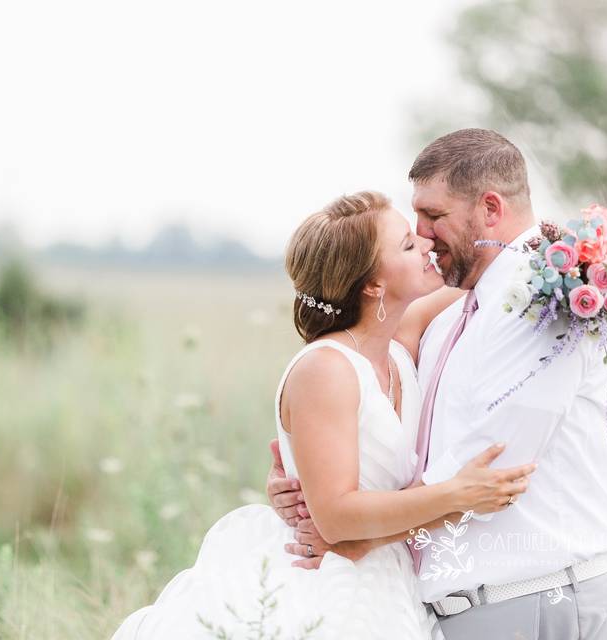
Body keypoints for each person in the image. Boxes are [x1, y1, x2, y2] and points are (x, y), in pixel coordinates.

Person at [112, 190, 536, 639]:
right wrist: (458, 494)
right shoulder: (326, 369)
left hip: (390, 578)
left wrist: (584, 252)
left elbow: (491, 278)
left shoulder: (398, 346)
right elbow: (334, 518)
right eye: (408, 245)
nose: (427, 244)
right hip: (324, 579)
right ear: (373, 284)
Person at [268, 129, 607, 639]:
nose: (423, 236)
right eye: (410, 230)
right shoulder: (446, 321)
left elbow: (489, 476)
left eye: (432, 217)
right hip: (442, 607)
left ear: (489, 209)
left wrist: (354, 538)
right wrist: (305, 486)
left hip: (536, 598)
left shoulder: (547, 304)